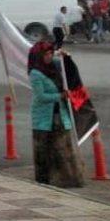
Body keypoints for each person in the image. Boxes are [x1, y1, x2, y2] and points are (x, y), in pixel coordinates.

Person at [28, 41, 84, 188]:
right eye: (45, 54)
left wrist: (67, 57)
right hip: (43, 117)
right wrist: (60, 96)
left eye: (50, 53)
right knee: (43, 150)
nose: (49, 56)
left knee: (63, 149)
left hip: (60, 114)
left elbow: (68, 69)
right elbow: (41, 96)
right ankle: (43, 180)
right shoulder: (35, 73)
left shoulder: (54, 66)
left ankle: (68, 180)